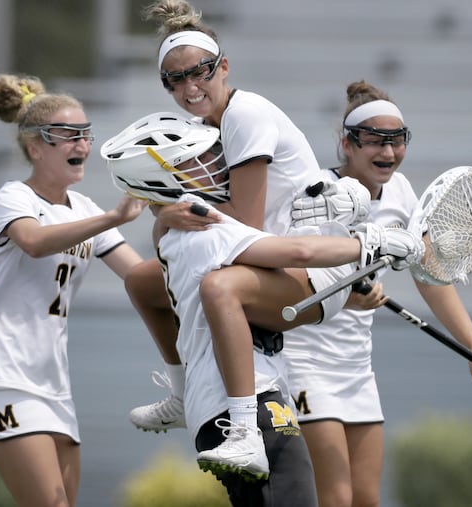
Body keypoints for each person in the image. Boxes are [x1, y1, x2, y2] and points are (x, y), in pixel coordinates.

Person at [101, 112, 421, 505]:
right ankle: (242, 433)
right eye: (198, 159)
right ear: (163, 176)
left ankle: (186, 399)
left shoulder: (180, 228)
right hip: (244, 411)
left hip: (228, 403)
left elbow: (144, 281)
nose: (217, 164)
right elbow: (298, 251)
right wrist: (371, 243)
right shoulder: (205, 230)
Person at [126, 0, 371, 476]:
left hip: (315, 271)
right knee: (141, 282)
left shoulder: (246, 114)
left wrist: (173, 210)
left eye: (200, 71)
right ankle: (181, 393)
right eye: (174, 79)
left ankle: (244, 434)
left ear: (224, 66)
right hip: (267, 258)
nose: (190, 87)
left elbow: (245, 223)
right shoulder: (199, 128)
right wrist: (166, 209)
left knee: (219, 288)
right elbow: (179, 213)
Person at [283, 80, 472, 507]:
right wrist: (346, 297)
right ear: (347, 144)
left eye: (397, 141)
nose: (388, 154)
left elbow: (429, 277)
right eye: (374, 142)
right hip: (305, 361)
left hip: (355, 367)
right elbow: (289, 269)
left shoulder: (401, 193)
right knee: (336, 498)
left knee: (367, 499)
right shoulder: (316, 192)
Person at [0, 73, 146, 507]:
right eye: (67, 136)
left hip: (52, 381)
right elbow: (36, 242)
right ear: (34, 147)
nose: (81, 145)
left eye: (85, 134)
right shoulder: (13, 198)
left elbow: (137, 276)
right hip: (2, 375)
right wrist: (112, 220)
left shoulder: (84, 207)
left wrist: (182, 242)